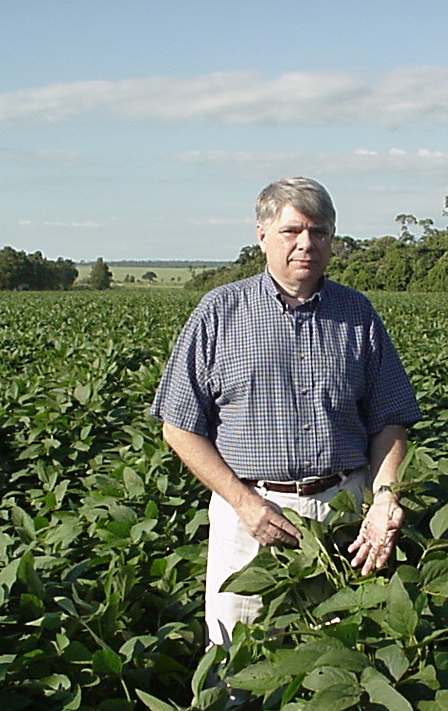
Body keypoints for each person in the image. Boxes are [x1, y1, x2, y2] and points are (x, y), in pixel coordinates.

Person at [150, 177, 421, 653]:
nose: (306, 244)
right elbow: (178, 424)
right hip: (249, 512)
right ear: (262, 235)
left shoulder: (357, 314)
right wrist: (243, 503)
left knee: (339, 654)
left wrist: (383, 498)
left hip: (343, 511)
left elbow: (389, 418)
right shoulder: (221, 311)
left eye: (319, 232)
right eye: (291, 231)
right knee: (236, 657)